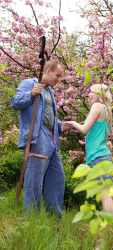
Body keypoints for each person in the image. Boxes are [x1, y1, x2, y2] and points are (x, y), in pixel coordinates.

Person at [11, 59, 71, 218]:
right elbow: (15, 102)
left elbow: (46, 118)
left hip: (52, 140)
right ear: (48, 71)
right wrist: (30, 94)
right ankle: (31, 222)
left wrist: (60, 125)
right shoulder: (29, 84)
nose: (58, 80)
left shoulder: (50, 92)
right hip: (37, 138)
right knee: (34, 183)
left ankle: (55, 221)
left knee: (57, 181)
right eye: (57, 76)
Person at [64, 83, 113, 213]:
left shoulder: (97, 106)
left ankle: (111, 227)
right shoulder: (106, 109)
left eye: (91, 92)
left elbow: (85, 129)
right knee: (106, 193)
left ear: (98, 93)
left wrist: (73, 122)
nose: (89, 95)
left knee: (104, 195)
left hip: (98, 156)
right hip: (101, 156)